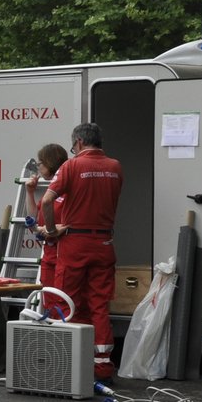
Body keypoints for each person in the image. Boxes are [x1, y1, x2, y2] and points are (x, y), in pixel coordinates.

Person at [39, 122, 123, 381]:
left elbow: (47, 200)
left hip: (75, 244)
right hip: (104, 244)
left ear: (78, 142)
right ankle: (102, 365)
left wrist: (51, 230)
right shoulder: (115, 167)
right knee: (99, 305)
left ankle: (69, 363)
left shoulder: (71, 166)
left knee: (67, 302)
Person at [24, 143, 71, 318]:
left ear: (50, 163)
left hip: (64, 256)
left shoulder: (69, 190)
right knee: (49, 305)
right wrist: (30, 192)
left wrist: (57, 228)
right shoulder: (49, 191)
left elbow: (75, 222)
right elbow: (32, 219)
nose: (38, 167)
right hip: (49, 256)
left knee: (64, 304)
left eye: (40, 163)